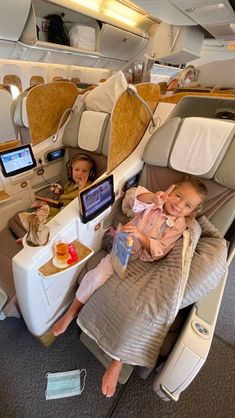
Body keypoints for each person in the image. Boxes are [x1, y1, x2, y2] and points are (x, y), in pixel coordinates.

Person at [53, 176, 207, 391]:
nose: (179, 204)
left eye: (187, 205)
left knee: (136, 310)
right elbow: (133, 197)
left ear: (191, 212)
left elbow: (160, 250)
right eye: (178, 196)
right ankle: (71, 312)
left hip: (143, 263)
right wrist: (155, 197)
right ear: (170, 190)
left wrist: (142, 237)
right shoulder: (155, 201)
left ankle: (117, 361)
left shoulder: (179, 226)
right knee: (96, 277)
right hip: (121, 249)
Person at [15, 153, 97, 243]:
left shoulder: (89, 186)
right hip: (61, 208)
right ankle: (31, 232)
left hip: (69, 213)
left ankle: (29, 238)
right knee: (39, 213)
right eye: (76, 169)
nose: (80, 173)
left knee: (49, 222)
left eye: (84, 171)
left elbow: (86, 204)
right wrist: (50, 201)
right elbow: (63, 199)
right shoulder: (69, 184)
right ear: (71, 171)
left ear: (90, 173)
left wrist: (82, 189)